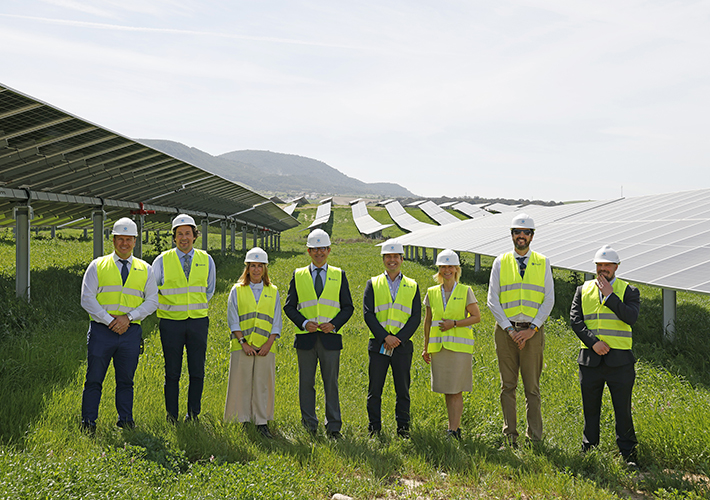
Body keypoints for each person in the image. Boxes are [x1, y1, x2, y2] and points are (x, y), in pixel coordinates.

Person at [80, 217, 158, 433]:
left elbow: (152, 301)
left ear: (135, 241)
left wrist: (129, 318)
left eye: (128, 239)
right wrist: (110, 321)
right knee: (94, 379)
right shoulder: (97, 265)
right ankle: (88, 423)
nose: (124, 243)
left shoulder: (146, 269)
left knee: (126, 381)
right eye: (120, 239)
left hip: (130, 332)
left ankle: (126, 421)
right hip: (101, 331)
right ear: (113, 240)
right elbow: (87, 298)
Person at [487, 213, 554, 446]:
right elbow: (492, 299)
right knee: (508, 386)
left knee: (532, 388)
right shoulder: (500, 261)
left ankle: (535, 438)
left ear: (532, 236)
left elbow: (549, 299)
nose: (521, 236)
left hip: (532, 333)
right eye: (517, 232)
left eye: (526, 233)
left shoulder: (543, 262)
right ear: (512, 235)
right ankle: (510, 436)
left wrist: (533, 328)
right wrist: (509, 329)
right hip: (506, 332)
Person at [570, 245, 640, 465]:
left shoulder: (629, 291)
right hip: (590, 361)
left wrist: (610, 297)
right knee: (590, 409)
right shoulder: (583, 290)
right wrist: (593, 343)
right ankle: (589, 449)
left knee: (623, 410)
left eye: (607, 265)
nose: (602, 269)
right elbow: (575, 320)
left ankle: (628, 454)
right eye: (599, 265)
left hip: (620, 363)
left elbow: (631, 317)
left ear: (616, 267)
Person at [283, 228, 354, 439]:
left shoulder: (339, 275)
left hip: (330, 339)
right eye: (314, 249)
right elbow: (289, 307)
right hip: (306, 339)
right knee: (306, 383)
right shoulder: (298, 275)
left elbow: (348, 307)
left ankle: (333, 427)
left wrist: (333, 324)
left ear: (329, 250)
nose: (319, 253)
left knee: (330, 383)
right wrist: (304, 323)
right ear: (308, 251)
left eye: (322, 249)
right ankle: (309, 425)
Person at [153, 214, 216, 423]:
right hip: (170, 323)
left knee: (197, 370)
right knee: (172, 372)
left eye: (187, 233)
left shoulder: (206, 260)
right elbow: (153, 290)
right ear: (174, 237)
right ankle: (172, 415)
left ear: (194, 235)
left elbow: (209, 290)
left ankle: (193, 414)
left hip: (198, 321)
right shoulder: (162, 260)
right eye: (179, 234)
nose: (184, 238)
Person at [363, 239, 421, 438]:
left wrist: (398, 339)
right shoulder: (373, 283)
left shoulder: (412, 285)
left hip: (402, 347)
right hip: (379, 345)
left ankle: (403, 430)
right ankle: (374, 429)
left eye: (396, 256)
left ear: (402, 259)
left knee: (403, 391)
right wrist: (385, 337)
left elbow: (415, 317)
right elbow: (368, 314)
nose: (392, 260)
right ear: (383, 259)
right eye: (388, 256)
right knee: (375, 390)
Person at [422, 249, 481, 440]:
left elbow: (476, 317)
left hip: (458, 350)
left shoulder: (465, 291)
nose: (447, 270)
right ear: (439, 269)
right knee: (447, 390)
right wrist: (425, 347)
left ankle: (454, 431)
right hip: (439, 349)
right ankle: (451, 428)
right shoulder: (432, 292)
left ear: (457, 269)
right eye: (443, 266)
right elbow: (428, 321)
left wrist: (454, 324)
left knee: (456, 390)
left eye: (450, 266)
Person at [224, 247, 282, 438]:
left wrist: (268, 344)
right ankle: (241, 419)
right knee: (241, 382)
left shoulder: (273, 291)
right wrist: (243, 342)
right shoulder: (237, 290)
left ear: (265, 268)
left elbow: (276, 320)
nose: (256, 270)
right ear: (247, 268)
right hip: (242, 345)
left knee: (262, 383)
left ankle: (261, 421)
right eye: (252, 266)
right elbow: (233, 319)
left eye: (260, 266)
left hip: (265, 346)